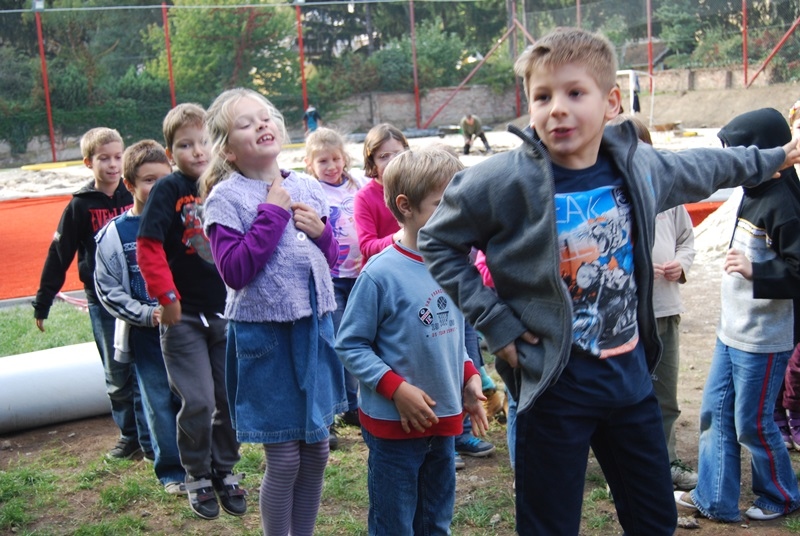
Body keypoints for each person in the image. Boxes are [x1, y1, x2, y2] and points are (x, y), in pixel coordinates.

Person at [418, 27, 800, 535]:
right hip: (554, 389)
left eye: (575, 93)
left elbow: (709, 164)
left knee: (654, 521)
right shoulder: (502, 181)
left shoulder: (640, 168)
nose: (557, 108)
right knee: (549, 526)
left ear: (611, 102)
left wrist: (777, 156)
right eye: (542, 96)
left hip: (630, 386)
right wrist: (495, 321)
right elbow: (437, 242)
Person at [201, 88, 346, 536]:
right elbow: (235, 271)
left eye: (265, 117)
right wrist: (271, 213)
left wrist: (322, 234)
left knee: (317, 451)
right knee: (284, 458)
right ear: (228, 149)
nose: (262, 125)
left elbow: (331, 258)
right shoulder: (225, 198)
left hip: (314, 330)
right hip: (264, 339)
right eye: (246, 123)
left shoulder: (307, 186)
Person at [336, 146, 488, 535]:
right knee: (394, 524)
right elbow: (350, 344)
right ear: (406, 206)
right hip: (394, 426)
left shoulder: (454, 265)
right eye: (443, 204)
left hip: (444, 419)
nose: (457, 213)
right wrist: (396, 389)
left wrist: (469, 374)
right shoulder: (380, 274)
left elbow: (451, 335)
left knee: (435, 520)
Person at [675, 108, 800, 522]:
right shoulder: (752, 191)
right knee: (714, 413)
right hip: (732, 331)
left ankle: (781, 495)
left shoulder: (783, 204)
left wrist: (755, 269)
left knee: (752, 422)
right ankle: (714, 498)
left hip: (764, 337)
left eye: (739, 155)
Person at [137, 103, 244, 521]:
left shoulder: (227, 183)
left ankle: (225, 468)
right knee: (198, 400)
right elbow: (148, 247)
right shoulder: (168, 190)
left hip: (224, 312)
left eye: (203, 142)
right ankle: (197, 472)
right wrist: (166, 297)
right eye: (185, 145)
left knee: (227, 397)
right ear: (170, 153)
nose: (197, 151)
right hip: (182, 317)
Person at [32, 127, 150, 461]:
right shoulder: (80, 206)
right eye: (104, 158)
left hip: (143, 295)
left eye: (118, 157)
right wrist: (43, 300)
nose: (113, 164)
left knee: (148, 365)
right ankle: (129, 436)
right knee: (116, 370)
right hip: (104, 301)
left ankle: (152, 434)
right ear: (88, 162)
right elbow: (60, 254)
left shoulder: (137, 195)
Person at [611, 113, 699, 489]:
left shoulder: (668, 195)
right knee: (623, 393)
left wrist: (681, 264)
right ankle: (621, 464)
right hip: (622, 317)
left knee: (664, 392)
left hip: (664, 308)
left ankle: (666, 460)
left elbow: (687, 241)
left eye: (641, 148)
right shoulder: (606, 197)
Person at [94, 140, 185, 494]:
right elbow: (108, 291)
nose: (158, 188)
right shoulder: (115, 234)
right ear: (129, 185)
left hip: (189, 329)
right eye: (149, 181)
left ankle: (204, 463)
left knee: (194, 398)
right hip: (148, 335)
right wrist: (147, 314)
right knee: (158, 401)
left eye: (164, 179)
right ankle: (172, 471)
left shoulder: (185, 222)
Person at [305, 127, 366, 442]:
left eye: (335, 159)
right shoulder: (312, 190)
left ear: (345, 158)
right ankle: (331, 410)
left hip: (361, 275)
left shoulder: (357, 184)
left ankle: (353, 404)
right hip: (331, 278)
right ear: (310, 164)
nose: (331, 166)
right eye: (322, 161)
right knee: (335, 341)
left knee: (358, 339)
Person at [354, 123, 408, 263]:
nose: (392, 161)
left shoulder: (417, 186)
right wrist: (397, 238)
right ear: (372, 162)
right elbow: (366, 246)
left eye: (398, 154)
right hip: (383, 267)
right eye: (383, 156)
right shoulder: (364, 198)